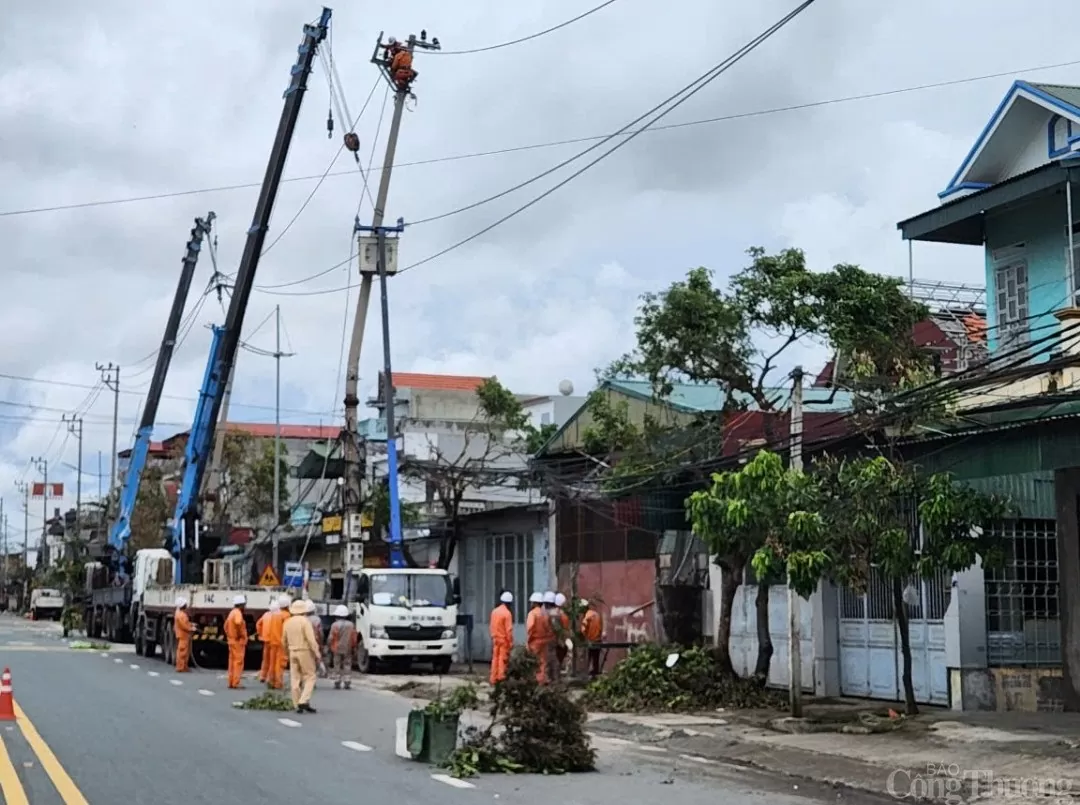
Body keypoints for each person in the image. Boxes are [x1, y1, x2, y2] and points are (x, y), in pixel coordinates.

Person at [282, 598, 320, 713]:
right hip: (304, 651)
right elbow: (311, 640)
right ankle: (303, 700)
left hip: (292, 651)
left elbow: (283, 640)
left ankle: (297, 704)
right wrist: (317, 653)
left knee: (295, 678)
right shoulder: (305, 621)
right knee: (310, 676)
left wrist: (287, 653)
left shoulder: (287, 622)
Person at [327, 605, 357, 689]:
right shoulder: (351, 625)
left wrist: (328, 646)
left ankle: (337, 680)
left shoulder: (334, 625)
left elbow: (331, 637)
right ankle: (347, 681)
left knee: (337, 664)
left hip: (336, 648)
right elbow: (354, 637)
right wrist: (354, 647)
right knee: (347, 664)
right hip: (348, 647)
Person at [223, 595, 249, 689]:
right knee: (238, 662)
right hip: (237, 641)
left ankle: (231, 682)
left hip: (231, 641)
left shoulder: (231, 613)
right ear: (241, 605)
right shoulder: (238, 613)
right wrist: (240, 635)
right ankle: (236, 683)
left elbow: (225, 626)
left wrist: (230, 635)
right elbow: (238, 623)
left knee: (232, 662)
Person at [488, 591, 514, 685]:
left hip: (495, 639)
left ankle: (493, 678)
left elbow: (491, 626)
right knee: (502, 660)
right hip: (504, 640)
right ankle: (501, 678)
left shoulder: (494, 611)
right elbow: (509, 630)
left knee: (495, 659)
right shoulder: (507, 614)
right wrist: (511, 642)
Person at [267, 594, 292, 690]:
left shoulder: (274, 615)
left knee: (272, 662)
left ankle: (271, 681)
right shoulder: (287, 616)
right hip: (281, 643)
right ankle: (278, 683)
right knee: (280, 663)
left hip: (273, 642)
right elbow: (287, 630)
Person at [256, 600, 279, 684]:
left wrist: (260, 633)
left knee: (265, 659)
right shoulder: (277, 617)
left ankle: (263, 676)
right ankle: (270, 677)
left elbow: (258, 624)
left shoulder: (265, 615)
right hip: (274, 641)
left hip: (266, 640)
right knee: (273, 660)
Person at [580, 599, 604, 678]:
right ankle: (595, 674)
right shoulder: (597, 614)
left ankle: (586, 674)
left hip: (590, 640)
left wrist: (584, 636)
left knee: (588, 657)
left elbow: (583, 629)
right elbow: (600, 628)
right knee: (596, 658)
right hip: (598, 640)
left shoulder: (587, 615)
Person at [305, 600, 327, 677]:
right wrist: (322, 643)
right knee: (316, 657)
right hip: (315, 641)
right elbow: (320, 633)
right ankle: (319, 672)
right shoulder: (317, 619)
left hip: (305, 642)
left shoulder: (302, 619)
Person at [173, 597, 195, 673]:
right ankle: (180, 667)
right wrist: (191, 628)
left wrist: (191, 624)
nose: (186, 605)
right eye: (185, 604)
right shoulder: (181, 615)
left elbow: (185, 623)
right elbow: (184, 625)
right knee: (182, 652)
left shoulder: (180, 614)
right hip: (183, 635)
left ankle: (184, 666)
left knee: (185, 652)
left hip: (184, 635)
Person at [553, 592, 571, 670]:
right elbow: (563, 629)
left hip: (556, 640)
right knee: (559, 659)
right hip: (561, 641)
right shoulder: (562, 615)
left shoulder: (553, 613)